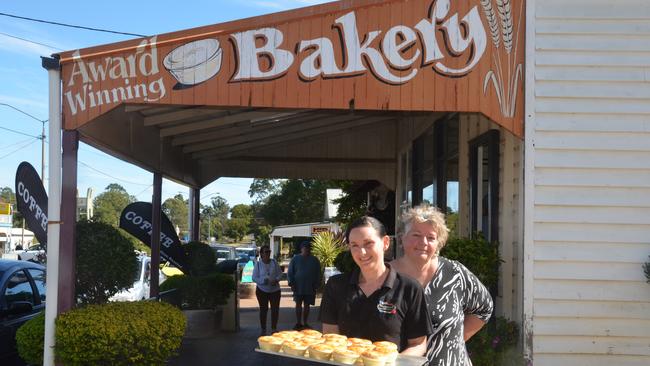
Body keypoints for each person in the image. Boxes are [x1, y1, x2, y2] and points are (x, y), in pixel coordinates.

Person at [391, 204, 493, 365]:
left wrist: (455, 339)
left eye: (431, 237)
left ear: (439, 243)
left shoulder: (455, 273)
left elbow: (484, 308)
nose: (423, 242)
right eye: (416, 235)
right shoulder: (385, 276)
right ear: (402, 237)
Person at [320, 216, 432, 355]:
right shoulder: (336, 286)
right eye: (354, 245)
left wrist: (392, 364)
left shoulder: (409, 288)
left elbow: (418, 344)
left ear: (385, 243)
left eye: (368, 243)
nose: (362, 252)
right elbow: (330, 337)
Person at [287, 240, 321, 330]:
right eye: (305, 248)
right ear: (301, 249)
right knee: (298, 304)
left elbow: (318, 273)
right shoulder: (295, 259)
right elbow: (290, 272)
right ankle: (298, 323)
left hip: (310, 286)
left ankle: (305, 323)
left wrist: (317, 284)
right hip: (298, 286)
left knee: (307, 305)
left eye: (308, 248)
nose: (306, 249)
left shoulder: (315, 260)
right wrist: (291, 283)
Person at [252, 245, 283, 335]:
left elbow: (280, 274)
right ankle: (263, 329)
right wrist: (262, 281)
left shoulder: (274, 262)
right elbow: (254, 278)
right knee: (263, 310)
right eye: (266, 252)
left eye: (269, 252)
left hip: (275, 290)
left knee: (275, 310)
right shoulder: (258, 264)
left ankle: (274, 328)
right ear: (261, 254)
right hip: (262, 290)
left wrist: (276, 280)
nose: (268, 253)